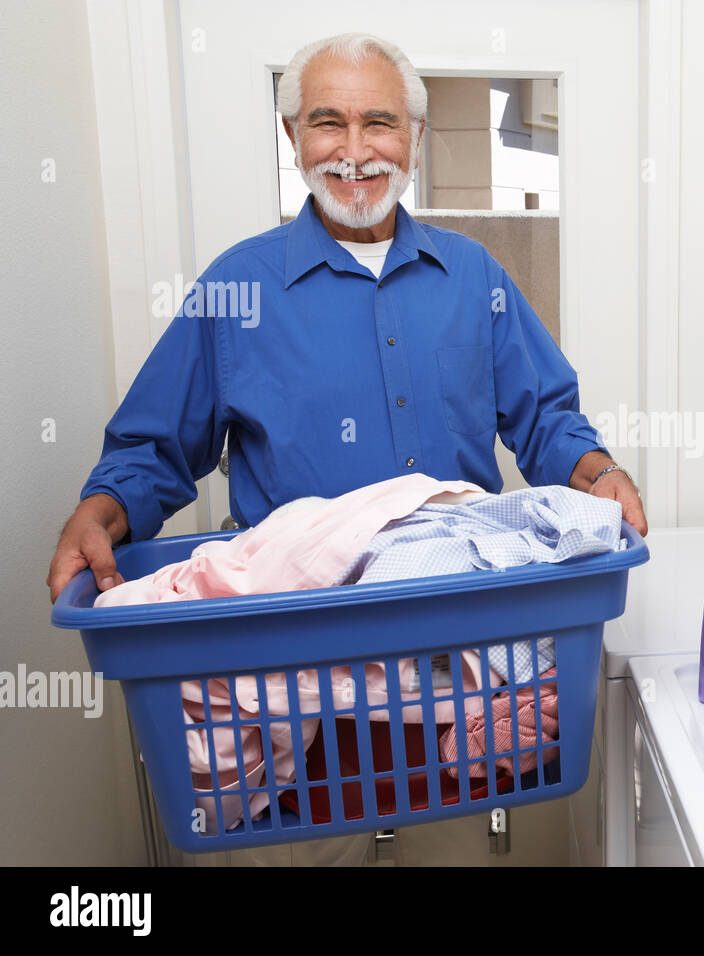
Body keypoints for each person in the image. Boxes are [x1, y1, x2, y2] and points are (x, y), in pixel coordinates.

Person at [45, 32, 647, 865]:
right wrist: (102, 508)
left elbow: (547, 420)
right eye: (329, 123)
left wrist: (600, 473)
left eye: (381, 124)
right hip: (289, 715)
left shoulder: (476, 279)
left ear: (415, 139)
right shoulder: (237, 289)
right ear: (294, 136)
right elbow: (154, 447)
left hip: (458, 698)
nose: (357, 152)